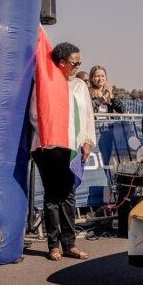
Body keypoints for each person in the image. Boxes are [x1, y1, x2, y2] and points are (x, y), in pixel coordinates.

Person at [30, 41, 95, 261]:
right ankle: (53, 245)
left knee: (68, 196)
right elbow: (34, 115)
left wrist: (87, 142)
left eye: (80, 63)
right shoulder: (45, 82)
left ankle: (70, 244)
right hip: (48, 148)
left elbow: (87, 117)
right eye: (75, 63)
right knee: (52, 196)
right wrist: (53, 132)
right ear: (62, 63)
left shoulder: (80, 86)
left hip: (73, 148)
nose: (78, 67)